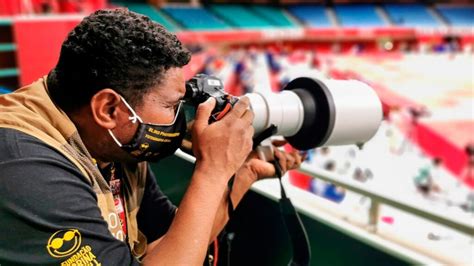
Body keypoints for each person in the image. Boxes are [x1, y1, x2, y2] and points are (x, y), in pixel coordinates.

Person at [0, 9, 302, 265]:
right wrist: (212, 171)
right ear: (108, 108)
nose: (179, 118)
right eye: (171, 106)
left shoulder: (111, 139)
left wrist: (242, 173)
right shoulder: (23, 168)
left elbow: (173, 245)